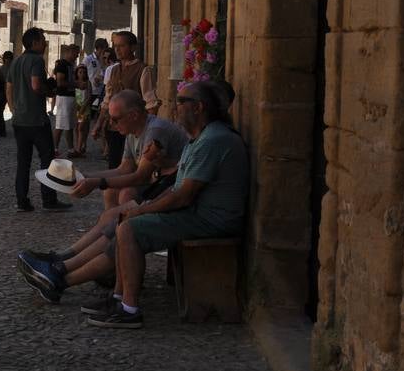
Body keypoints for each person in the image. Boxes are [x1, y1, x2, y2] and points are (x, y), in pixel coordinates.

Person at [19, 81, 248, 328]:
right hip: (198, 212)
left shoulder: (212, 140)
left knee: (129, 228)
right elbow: (176, 186)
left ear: (199, 108)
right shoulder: (201, 138)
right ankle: (100, 290)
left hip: (211, 219)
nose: (175, 106)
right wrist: (138, 205)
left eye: (181, 101)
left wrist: (141, 209)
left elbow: (181, 195)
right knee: (123, 218)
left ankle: (128, 308)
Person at [15, 91, 191, 300]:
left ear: (134, 114)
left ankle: (62, 271)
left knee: (120, 220)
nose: (112, 125)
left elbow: (139, 176)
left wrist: (97, 183)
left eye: (115, 119)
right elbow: (124, 168)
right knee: (113, 215)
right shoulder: (134, 131)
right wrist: (85, 178)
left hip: (167, 195)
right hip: (161, 191)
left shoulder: (155, 131)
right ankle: (61, 261)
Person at [10, 28, 71, 212]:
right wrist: (49, 91)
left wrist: (14, 110)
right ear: (35, 42)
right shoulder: (36, 60)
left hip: (19, 120)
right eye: (43, 40)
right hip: (36, 119)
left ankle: (22, 201)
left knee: (23, 162)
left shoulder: (17, 61)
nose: (45, 43)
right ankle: (49, 199)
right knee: (47, 159)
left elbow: (8, 88)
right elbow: (36, 85)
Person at [93, 31, 159, 170]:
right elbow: (107, 100)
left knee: (131, 169)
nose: (117, 49)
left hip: (133, 128)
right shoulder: (114, 70)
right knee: (114, 166)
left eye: (121, 46)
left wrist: (149, 132)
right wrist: (99, 123)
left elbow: (151, 103)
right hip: (114, 128)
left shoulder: (143, 70)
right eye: (115, 46)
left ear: (132, 48)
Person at [51, 45, 78, 156]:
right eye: (75, 54)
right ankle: (54, 149)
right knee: (60, 125)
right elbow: (60, 82)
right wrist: (77, 84)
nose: (76, 56)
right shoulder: (62, 64)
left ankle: (71, 149)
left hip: (70, 97)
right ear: (69, 52)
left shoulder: (70, 65)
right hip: (64, 97)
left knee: (69, 125)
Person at [73, 64, 92, 157]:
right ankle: (80, 144)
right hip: (76, 108)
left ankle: (79, 148)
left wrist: (83, 107)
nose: (82, 74)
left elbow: (89, 97)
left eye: (84, 72)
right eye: (80, 72)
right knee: (77, 128)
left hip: (84, 109)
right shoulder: (75, 83)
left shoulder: (88, 83)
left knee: (81, 128)